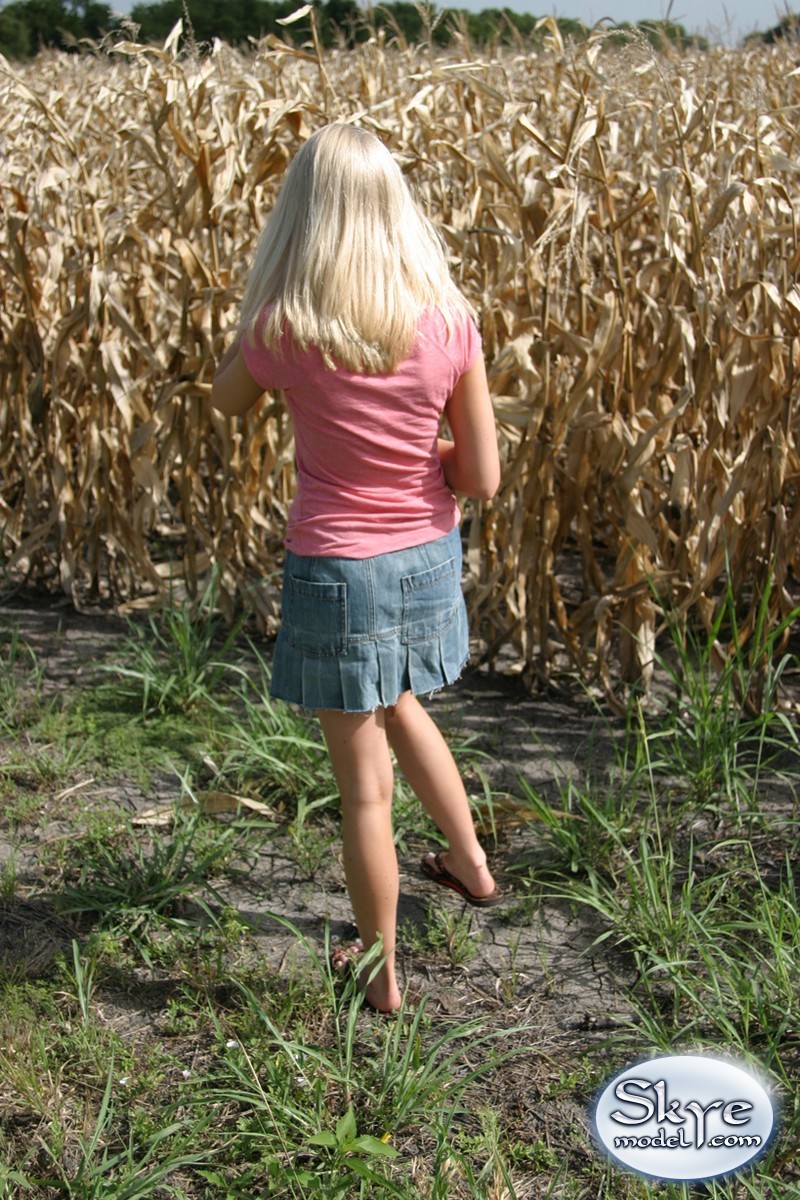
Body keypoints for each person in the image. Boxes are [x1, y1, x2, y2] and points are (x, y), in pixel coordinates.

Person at [211, 123, 501, 1014]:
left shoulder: (287, 328)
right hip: (423, 559)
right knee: (403, 700)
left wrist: (258, 332)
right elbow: (481, 479)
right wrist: (434, 444)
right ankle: (472, 864)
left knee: (362, 793)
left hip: (339, 568)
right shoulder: (451, 323)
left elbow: (223, 401)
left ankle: (381, 976)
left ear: (305, 216)